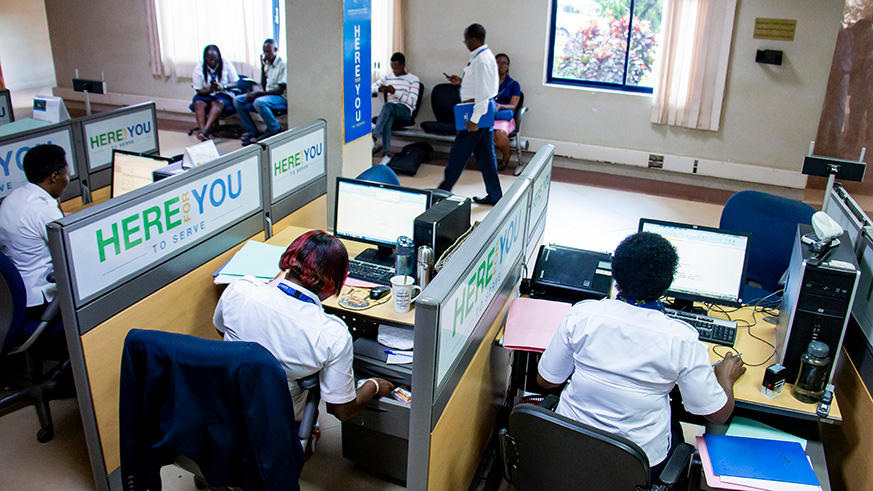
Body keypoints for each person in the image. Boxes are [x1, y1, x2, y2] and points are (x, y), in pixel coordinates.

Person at [537, 232, 745, 478]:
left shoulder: (582, 315)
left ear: (615, 274)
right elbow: (718, 414)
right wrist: (725, 377)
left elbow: (546, 381)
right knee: (675, 430)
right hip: (635, 465)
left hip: (568, 447)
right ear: (668, 282)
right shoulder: (681, 339)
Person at [214, 230, 395, 422]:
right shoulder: (333, 334)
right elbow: (342, 411)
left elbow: (221, 329)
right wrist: (373, 385)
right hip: (277, 420)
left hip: (225, 406)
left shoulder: (240, 289)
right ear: (334, 282)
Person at [0, 144, 70, 320]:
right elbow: (73, 252)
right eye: (66, 174)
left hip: (14, 297)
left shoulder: (12, 198)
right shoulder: (43, 211)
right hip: (41, 301)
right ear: (54, 176)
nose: (67, 179)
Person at [439, 23, 502, 206]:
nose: (465, 43)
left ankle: (442, 192)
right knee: (486, 156)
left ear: (474, 39)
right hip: (482, 109)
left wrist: (474, 120)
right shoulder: (483, 56)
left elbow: (483, 94)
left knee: (458, 154)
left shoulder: (482, 60)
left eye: (466, 39)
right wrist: (461, 82)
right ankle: (495, 195)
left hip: (477, 111)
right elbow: (480, 86)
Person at [233, 39, 287, 146]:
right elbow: (264, 85)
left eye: (268, 52)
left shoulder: (282, 64)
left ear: (275, 50)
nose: (266, 54)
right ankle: (252, 132)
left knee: (258, 102)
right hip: (268, 95)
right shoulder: (267, 64)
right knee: (237, 100)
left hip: (280, 97)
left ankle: (276, 129)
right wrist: (262, 67)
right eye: (264, 52)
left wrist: (257, 94)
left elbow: (279, 90)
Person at [371, 52, 420, 165]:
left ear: (403, 65)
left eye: (396, 68)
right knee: (388, 118)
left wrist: (394, 92)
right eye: (392, 67)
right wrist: (379, 89)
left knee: (388, 106)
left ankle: (373, 139)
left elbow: (412, 102)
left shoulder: (413, 79)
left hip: (405, 111)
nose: (394, 71)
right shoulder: (388, 77)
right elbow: (372, 87)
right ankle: (386, 155)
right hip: (390, 111)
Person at [191, 44, 239, 142]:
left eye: (215, 58)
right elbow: (199, 90)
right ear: (205, 58)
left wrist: (223, 87)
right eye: (210, 59)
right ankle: (202, 131)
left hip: (223, 93)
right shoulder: (199, 68)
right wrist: (211, 90)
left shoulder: (226, 65)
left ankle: (204, 131)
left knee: (217, 103)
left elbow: (235, 83)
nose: (213, 61)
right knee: (198, 103)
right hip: (206, 93)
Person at [493, 53, 521, 172]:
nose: (501, 65)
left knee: (499, 133)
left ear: (508, 66)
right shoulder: (488, 82)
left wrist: (500, 106)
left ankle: (506, 156)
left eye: (504, 63)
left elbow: (513, 106)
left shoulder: (513, 85)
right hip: (489, 115)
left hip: (504, 116)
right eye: (498, 63)